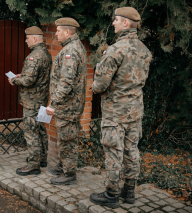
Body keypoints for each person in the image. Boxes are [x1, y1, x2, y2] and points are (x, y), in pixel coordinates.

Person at [90, 7, 152, 209]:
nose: (114, 23)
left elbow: (99, 86)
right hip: (135, 111)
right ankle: (130, 191)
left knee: (114, 152)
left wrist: (95, 80)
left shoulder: (116, 50)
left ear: (126, 23)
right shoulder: (144, 50)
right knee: (132, 150)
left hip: (115, 112)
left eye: (116, 20)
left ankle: (112, 194)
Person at [46, 17, 87, 185]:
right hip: (70, 105)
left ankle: (69, 175)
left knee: (67, 140)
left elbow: (66, 82)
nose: (56, 34)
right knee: (67, 138)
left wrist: (52, 103)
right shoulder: (74, 47)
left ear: (67, 32)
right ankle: (66, 169)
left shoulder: (70, 51)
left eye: (58, 31)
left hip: (68, 106)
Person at [9, 26, 52, 176]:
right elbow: (37, 76)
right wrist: (24, 75)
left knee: (31, 131)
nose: (26, 41)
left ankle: (33, 165)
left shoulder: (34, 56)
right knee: (40, 129)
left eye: (27, 38)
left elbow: (28, 81)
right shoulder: (46, 54)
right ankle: (42, 158)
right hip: (41, 99)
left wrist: (14, 80)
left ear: (34, 38)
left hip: (32, 101)